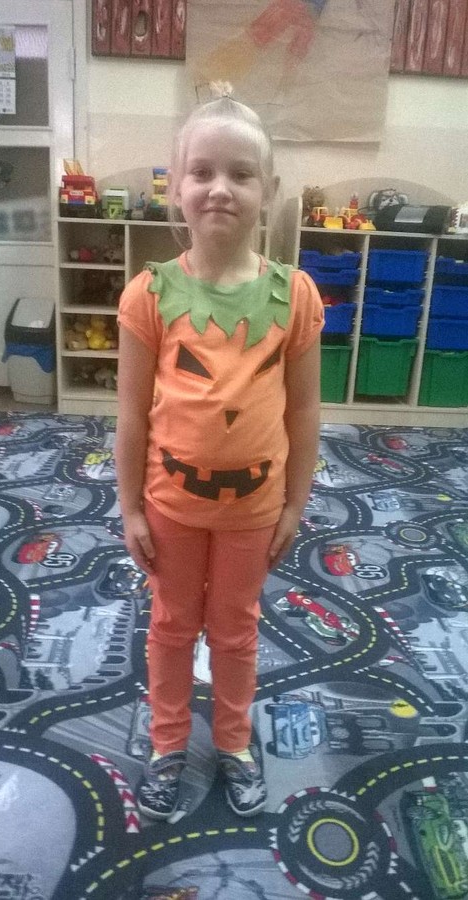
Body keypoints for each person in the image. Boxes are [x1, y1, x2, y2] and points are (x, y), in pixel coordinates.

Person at [115, 83, 324, 820]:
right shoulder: (149, 295)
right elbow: (131, 414)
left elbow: (303, 409)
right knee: (172, 626)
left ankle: (233, 741)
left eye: (240, 174)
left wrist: (296, 503)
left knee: (236, 630)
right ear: (176, 186)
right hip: (171, 502)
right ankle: (168, 743)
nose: (219, 189)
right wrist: (128, 507)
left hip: (254, 507)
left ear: (268, 191)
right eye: (201, 172)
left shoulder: (296, 295)